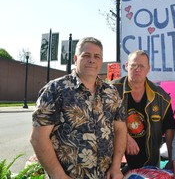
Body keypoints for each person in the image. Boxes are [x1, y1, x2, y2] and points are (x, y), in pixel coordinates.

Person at [30, 37, 127, 179]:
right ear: (76, 58)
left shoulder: (111, 93)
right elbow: (38, 138)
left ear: (101, 60)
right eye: (86, 55)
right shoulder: (55, 90)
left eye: (97, 56)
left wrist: (116, 167)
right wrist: (59, 176)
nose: (92, 60)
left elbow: (120, 129)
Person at [111, 50, 175, 171]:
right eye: (133, 65)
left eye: (141, 66)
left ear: (148, 68)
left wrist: (172, 161)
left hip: (150, 164)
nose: (137, 69)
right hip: (114, 164)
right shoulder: (111, 91)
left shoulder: (161, 97)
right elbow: (103, 121)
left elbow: (169, 129)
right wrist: (125, 137)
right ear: (126, 66)